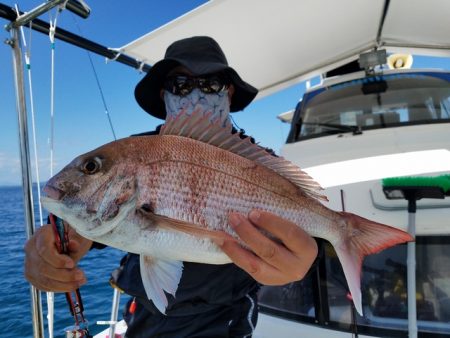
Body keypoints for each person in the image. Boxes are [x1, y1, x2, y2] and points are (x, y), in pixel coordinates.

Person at [24, 36, 318, 337]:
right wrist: (57, 244)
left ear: (228, 93)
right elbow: (96, 223)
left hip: (225, 319)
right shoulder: (133, 153)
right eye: (181, 84)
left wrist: (300, 265)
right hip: (145, 315)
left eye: (211, 84)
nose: (196, 94)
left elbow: (300, 225)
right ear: (165, 95)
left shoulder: (263, 166)